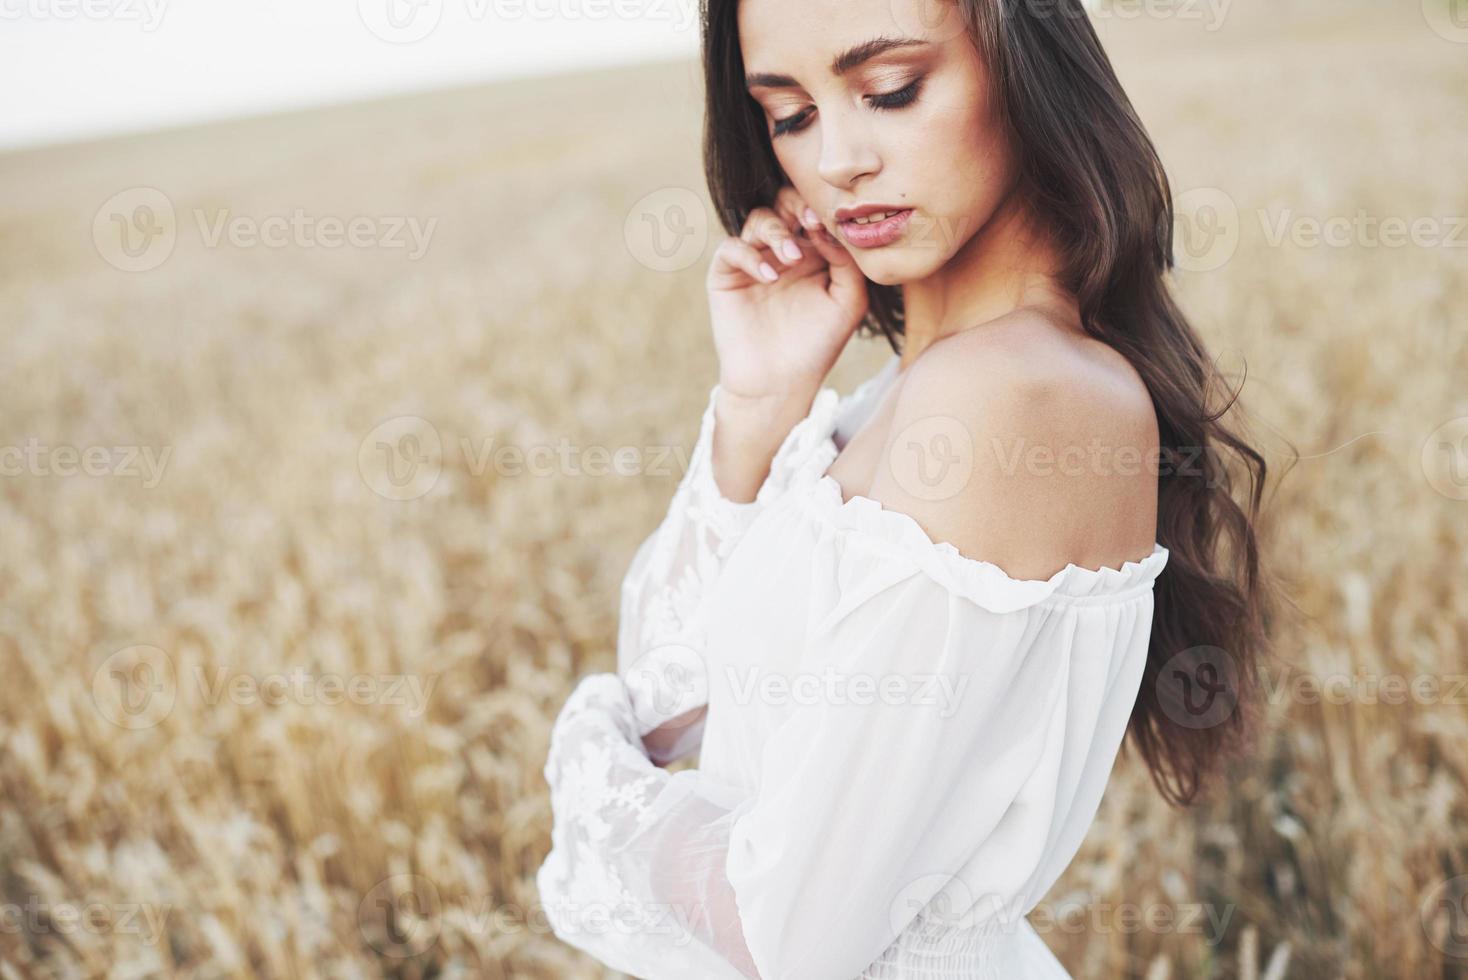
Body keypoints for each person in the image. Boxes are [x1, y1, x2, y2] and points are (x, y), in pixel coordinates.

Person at [537, 0, 1275, 975]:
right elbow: (673, 702)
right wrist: (758, 405)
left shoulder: (1006, 398)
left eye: (889, 90)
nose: (837, 158)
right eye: (789, 114)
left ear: (1026, 69)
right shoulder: (892, 398)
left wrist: (590, 772)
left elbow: (785, 933)